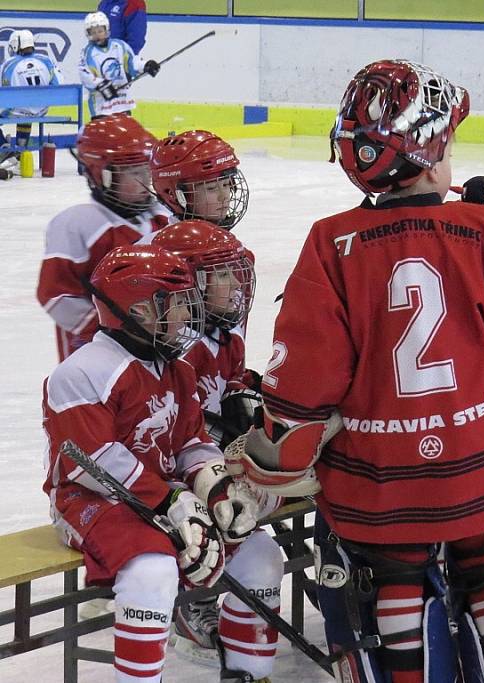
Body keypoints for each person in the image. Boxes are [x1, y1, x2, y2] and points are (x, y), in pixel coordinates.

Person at [226, 60, 484, 683]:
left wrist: (268, 448)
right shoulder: (481, 227)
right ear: (431, 151)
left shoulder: (331, 240)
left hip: (378, 487)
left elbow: (305, 382)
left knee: (395, 607)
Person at [42, 244, 281, 683]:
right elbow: (91, 463)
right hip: (86, 501)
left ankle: (249, 674)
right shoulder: (82, 372)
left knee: (261, 553)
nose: (186, 315)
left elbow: (190, 440)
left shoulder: (174, 367)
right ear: (134, 311)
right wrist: (172, 500)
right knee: (153, 569)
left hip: (161, 495)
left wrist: (216, 489)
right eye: (171, 303)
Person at [151, 220, 279, 667]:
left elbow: (230, 384)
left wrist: (244, 396)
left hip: (204, 459)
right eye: (221, 275)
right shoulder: (169, 349)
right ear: (190, 287)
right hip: (169, 475)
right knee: (231, 508)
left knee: (274, 488)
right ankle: (192, 607)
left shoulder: (224, 333)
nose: (235, 284)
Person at [36, 114, 170, 362]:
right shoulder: (77, 225)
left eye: (146, 170)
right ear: (101, 175)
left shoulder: (159, 219)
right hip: (94, 353)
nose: (144, 182)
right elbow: (55, 294)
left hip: (152, 346)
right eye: (132, 172)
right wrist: (109, 329)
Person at [150, 130, 249, 230]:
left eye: (226, 184)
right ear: (171, 195)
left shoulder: (229, 242)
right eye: (211, 188)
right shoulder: (157, 244)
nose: (224, 197)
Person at [0, 29, 63, 173]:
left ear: (16, 45)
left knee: (19, 110)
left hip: (18, 109)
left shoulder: (9, 64)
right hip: (41, 109)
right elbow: (58, 83)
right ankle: (21, 149)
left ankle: (4, 147)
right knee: (27, 112)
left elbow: (3, 88)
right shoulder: (46, 60)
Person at [79, 11, 159, 119]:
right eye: (93, 32)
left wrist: (145, 65)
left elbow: (132, 63)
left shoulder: (120, 46)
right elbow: (85, 74)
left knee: (125, 132)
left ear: (106, 30)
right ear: (88, 34)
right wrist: (101, 84)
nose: (97, 35)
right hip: (101, 105)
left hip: (122, 101)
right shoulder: (88, 53)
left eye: (100, 31)